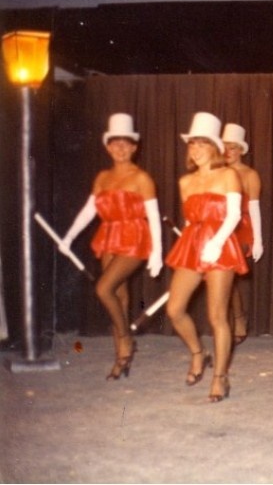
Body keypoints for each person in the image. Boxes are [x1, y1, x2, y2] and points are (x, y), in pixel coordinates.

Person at [59, 113, 163, 380]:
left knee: (102, 288)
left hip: (135, 237)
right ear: (107, 147)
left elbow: (153, 217)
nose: (120, 148)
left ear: (134, 147)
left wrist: (158, 253)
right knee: (118, 296)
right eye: (115, 143)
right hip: (109, 236)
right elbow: (88, 211)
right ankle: (121, 359)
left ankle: (126, 339)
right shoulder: (103, 177)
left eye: (126, 143)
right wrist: (69, 237)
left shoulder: (142, 178)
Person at [165, 112, 248, 403]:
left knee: (216, 315)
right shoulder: (185, 182)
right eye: (192, 145)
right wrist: (189, 243)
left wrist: (215, 243)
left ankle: (220, 377)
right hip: (193, 243)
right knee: (175, 309)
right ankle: (198, 354)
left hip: (221, 244)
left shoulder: (228, 174)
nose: (196, 150)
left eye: (202, 144)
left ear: (214, 147)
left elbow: (235, 214)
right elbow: (190, 220)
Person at [222, 123, 263, 346]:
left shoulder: (249, 175)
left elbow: (254, 208)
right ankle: (234, 318)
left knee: (230, 278)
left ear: (241, 150)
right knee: (225, 278)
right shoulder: (217, 172)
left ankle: (238, 318)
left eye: (233, 148)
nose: (229, 152)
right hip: (220, 227)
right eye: (225, 147)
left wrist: (258, 240)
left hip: (241, 228)